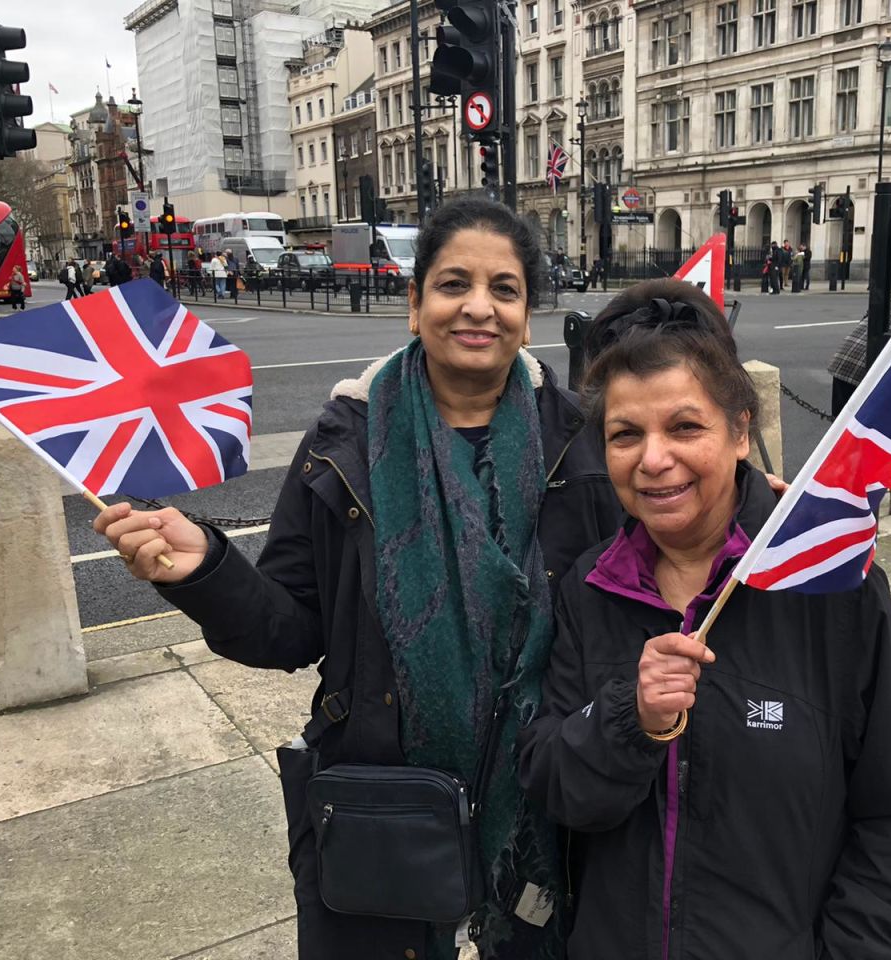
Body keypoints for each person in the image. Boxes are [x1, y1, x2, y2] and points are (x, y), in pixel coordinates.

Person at [94, 196, 626, 960]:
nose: (479, 307)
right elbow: (289, 627)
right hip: (384, 806)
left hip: (544, 799)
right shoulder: (343, 440)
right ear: (413, 306)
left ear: (527, 315)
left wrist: (746, 502)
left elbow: (654, 568)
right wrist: (205, 569)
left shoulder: (580, 441)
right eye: (453, 285)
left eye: (504, 289)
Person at [518, 278, 891, 959]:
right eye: (625, 435)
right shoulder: (589, 588)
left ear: (739, 430)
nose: (654, 459)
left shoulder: (832, 586)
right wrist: (627, 722)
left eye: (685, 427)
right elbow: (554, 784)